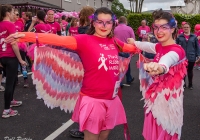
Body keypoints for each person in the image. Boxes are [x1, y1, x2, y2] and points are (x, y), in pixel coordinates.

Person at [6, 7, 137, 140]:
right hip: (93, 100)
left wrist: (137, 44)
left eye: (108, 22)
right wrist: (25, 36)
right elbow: (57, 39)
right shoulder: (83, 40)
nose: (104, 26)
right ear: (93, 22)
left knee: (104, 136)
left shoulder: (114, 42)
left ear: (113, 24)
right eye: (99, 21)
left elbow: (132, 49)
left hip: (112, 100)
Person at [127, 9, 191, 140]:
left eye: (164, 27)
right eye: (155, 27)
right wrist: (134, 42)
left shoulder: (177, 51)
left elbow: (168, 60)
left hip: (168, 106)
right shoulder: (159, 46)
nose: (159, 31)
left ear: (173, 29)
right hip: (154, 102)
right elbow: (147, 45)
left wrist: (160, 67)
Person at [0, 4, 26, 118]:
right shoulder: (10, 25)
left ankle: (10, 101)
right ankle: (6, 110)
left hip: (3, 57)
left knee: (13, 80)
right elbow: (14, 44)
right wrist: (20, 60)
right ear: (7, 13)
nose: (13, 14)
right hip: (10, 57)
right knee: (10, 83)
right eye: (12, 12)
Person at [176, 22, 200, 89]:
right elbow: (176, 46)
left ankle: (190, 84)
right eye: (184, 27)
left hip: (191, 56)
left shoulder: (194, 37)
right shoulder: (179, 37)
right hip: (182, 58)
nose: (186, 28)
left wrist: (198, 55)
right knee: (182, 72)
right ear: (183, 28)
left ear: (190, 28)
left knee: (190, 71)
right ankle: (183, 84)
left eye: (187, 27)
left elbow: (197, 47)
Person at [114, 16, 135, 86]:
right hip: (127, 49)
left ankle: (120, 82)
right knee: (127, 65)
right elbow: (133, 40)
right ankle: (128, 78)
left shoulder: (115, 29)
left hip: (117, 50)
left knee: (118, 66)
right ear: (125, 21)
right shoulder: (129, 29)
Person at [13, 9, 29, 87]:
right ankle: (15, 80)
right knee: (14, 63)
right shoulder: (8, 23)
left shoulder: (20, 23)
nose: (17, 16)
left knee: (22, 62)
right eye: (16, 14)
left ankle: (25, 79)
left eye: (18, 14)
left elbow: (23, 33)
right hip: (11, 46)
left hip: (20, 45)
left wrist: (26, 42)